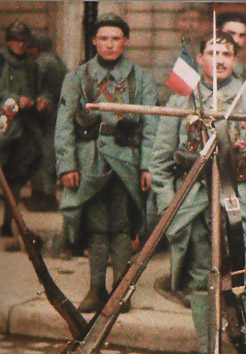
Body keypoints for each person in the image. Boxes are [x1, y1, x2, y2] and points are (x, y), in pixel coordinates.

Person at [150, 31, 246, 354]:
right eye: (212, 52)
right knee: (202, 282)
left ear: (235, 59)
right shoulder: (180, 100)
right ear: (199, 59)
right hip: (196, 204)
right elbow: (160, 162)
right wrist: (171, 206)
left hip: (242, 203)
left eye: (227, 53)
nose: (220, 59)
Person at [55, 15, 158, 312]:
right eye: (104, 39)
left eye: (116, 38)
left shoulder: (143, 78)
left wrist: (147, 166)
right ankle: (96, 288)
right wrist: (67, 166)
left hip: (127, 160)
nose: (110, 44)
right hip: (91, 162)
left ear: (125, 41)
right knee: (97, 226)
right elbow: (64, 125)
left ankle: (120, 290)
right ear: (94, 41)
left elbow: (151, 126)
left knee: (124, 225)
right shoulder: (77, 77)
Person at [0, 21, 50, 247]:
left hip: (25, 130)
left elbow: (40, 90)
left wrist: (40, 102)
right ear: (8, 40)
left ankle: (8, 224)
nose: (20, 45)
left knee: (16, 179)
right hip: (3, 128)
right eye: (16, 40)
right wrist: (12, 100)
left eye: (24, 41)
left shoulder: (32, 66)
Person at [26, 31, 67, 212]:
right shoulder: (58, 61)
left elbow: (36, 88)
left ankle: (44, 197)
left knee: (42, 154)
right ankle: (47, 195)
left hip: (46, 113)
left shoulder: (41, 63)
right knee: (49, 154)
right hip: (59, 112)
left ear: (36, 48)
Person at [216, 12, 246, 95]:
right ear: (216, 33)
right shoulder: (199, 68)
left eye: (241, 35)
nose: (236, 40)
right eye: (231, 33)